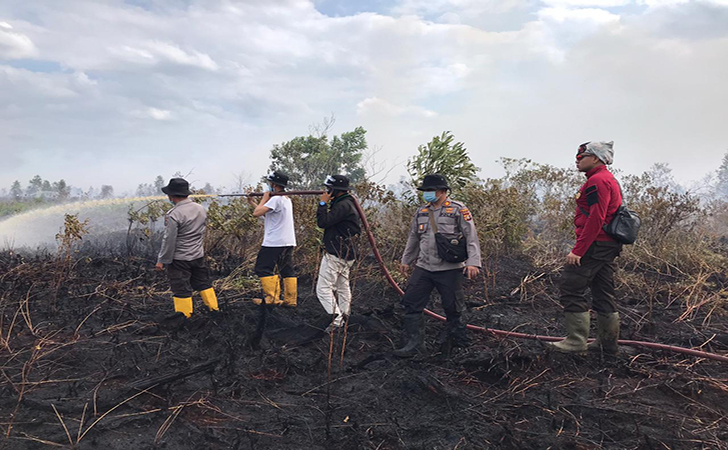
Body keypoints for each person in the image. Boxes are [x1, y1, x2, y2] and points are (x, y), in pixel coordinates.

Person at [547, 141, 623, 355]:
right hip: (606, 245)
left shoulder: (598, 181)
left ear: (596, 158)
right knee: (603, 291)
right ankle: (607, 345)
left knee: (571, 287)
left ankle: (576, 342)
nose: (577, 160)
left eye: (582, 156)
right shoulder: (606, 179)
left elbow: (596, 219)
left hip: (596, 244)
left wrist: (578, 250)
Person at [395, 174, 482, 357]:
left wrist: (473, 263)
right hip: (424, 267)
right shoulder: (421, 212)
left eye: (430, 190)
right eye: (425, 191)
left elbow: (471, 236)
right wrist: (406, 260)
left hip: (449, 269)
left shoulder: (458, 210)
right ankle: (414, 345)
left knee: (453, 307)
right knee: (411, 303)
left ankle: (455, 347)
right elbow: (413, 238)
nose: (427, 194)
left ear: (442, 191)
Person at [155, 178, 218, 318]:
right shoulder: (201, 209)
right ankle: (214, 310)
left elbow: (169, 240)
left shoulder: (174, 214)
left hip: (179, 259)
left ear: (171, 195)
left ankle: (184, 318)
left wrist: (162, 260)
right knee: (203, 283)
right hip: (198, 255)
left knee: (180, 288)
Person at [316, 175, 361, 331]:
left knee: (322, 289)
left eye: (329, 188)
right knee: (342, 286)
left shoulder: (343, 206)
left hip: (337, 252)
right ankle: (345, 315)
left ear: (335, 190)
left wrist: (322, 203)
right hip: (346, 253)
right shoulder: (346, 203)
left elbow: (323, 222)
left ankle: (336, 320)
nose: (327, 191)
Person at [249, 171, 297, 307]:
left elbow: (256, 213)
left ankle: (272, 298)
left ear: (274, 184)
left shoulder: (276, 199)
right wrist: (252, 202)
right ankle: (290, 300)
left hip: (275, 242)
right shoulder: (286, 199)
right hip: (287, 241)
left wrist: (264, 198)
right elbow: (266, 215)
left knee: (263, 267)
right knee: (286, 269)